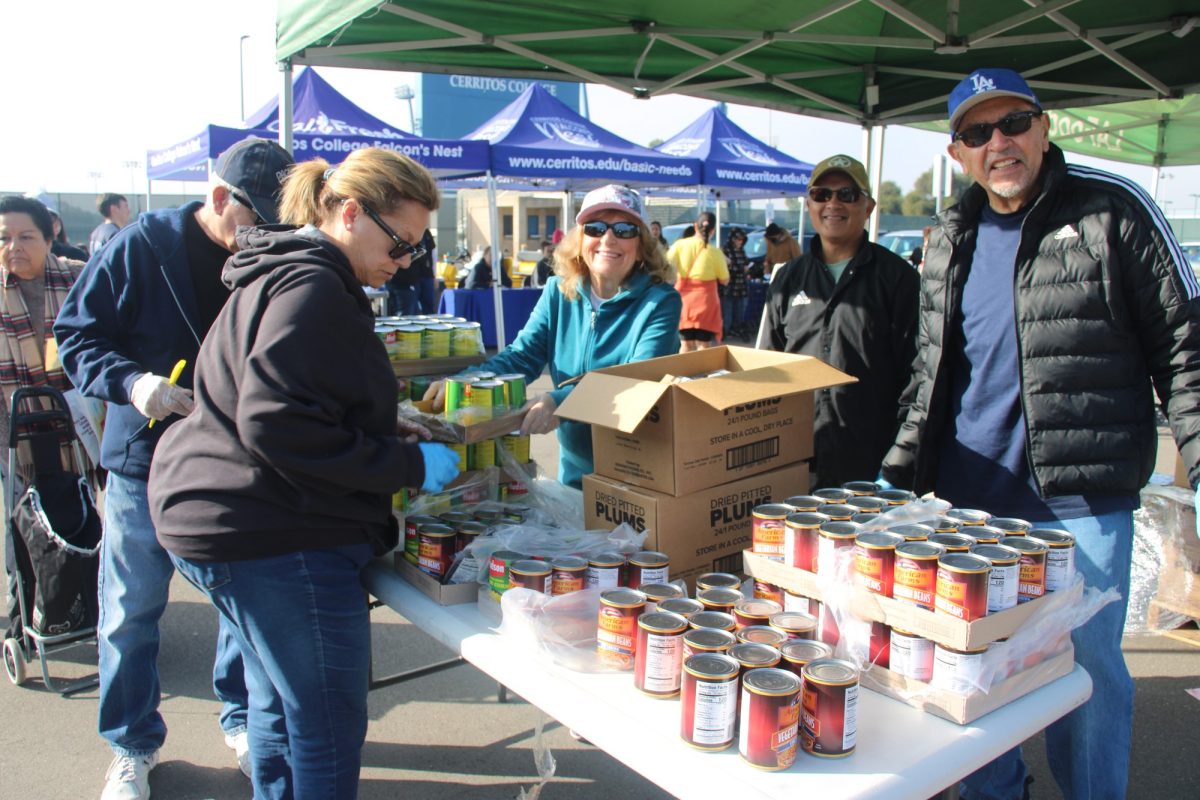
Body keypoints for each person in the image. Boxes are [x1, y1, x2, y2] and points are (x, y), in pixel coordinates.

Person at [880, 68, 1200, 800]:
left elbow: (1187, 351)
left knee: (1084, 673)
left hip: (1081, 504)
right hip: (968, 505)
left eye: (1014, 122)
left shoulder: (1112, 212)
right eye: (977, 132)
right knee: (972, 675)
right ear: (957, 151)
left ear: (1044, 126)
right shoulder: (947, 236)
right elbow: (931, 375)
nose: (1000, 143)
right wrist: (895, 476)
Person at [147, 147, 458, 799]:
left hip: (223, 516)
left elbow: (275, 397)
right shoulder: (315, 287)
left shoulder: (284, 271)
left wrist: (379, 426)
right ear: (349, 213)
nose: (404, 263)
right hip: (273, 536)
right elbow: (275, 424)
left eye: (417, 251)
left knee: (278, 709)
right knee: (323, 726)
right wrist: (404, 463)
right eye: (402, 244)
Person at [55, 137, 295, 800]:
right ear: (220, 199)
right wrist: (133, 384)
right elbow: (76, 333)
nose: (267, 237)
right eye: (259, 222)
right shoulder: (141, 246)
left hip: (235, 460)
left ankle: (243, 718)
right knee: (132, 609)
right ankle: (131, 743)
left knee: (239, 602)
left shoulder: (269, 254)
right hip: (145, 461)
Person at [425, 184, 681, 489]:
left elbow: (637, 381)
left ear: (642, 245)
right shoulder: (558, 291)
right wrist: (464, 381)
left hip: (637, 472)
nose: (608, 239)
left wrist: (557, 402)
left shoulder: (660, 301)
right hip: (573, 474)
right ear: (580, 239)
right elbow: (523, 355)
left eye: (625, 229)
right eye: (595, 228)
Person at [759, 155, 919, 489]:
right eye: (822, 194)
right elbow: (763, 371)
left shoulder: (898, 279)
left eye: (847, 194)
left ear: (869, 206)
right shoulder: (787, 279)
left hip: (871, 465)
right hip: (797, 463)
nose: (833, 203)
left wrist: (900, 462)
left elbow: (917, 378)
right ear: (809, 205)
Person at [0, 195, 90, 640]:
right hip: (13, 437)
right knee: (22, 524)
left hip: (77, 430)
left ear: (50, 236)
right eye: (4, 238)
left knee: (80, 515)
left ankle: (84, 604)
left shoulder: (78, 279)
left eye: (25, 236)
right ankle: (26, 613)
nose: (13, 246)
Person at [667, 211, 728, 351]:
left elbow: (666, 266)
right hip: (707, 302)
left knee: (685, 343)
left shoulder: (679, 245)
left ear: (695, 226)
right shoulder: (715, 252)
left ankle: (683, 372)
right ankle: (703, 372)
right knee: (704, 344)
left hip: (684, 301)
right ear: (713, 230)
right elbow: (724, 280)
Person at [385, 229, 436, 314]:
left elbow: (431, 253)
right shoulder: (401, 231)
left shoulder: (425, 233)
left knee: (413, 310)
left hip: (412, 279)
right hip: (402, 281)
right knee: (406, 313)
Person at [720, 227, 751, 340]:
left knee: (739, 311)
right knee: (727, 312)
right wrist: (739, 269)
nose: (740, 242)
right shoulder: (725, 250)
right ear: (732, 239)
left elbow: (746, 263)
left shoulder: (742, 251)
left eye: (742, 240)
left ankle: (736, 330)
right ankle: (725, 332)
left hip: (741, 286)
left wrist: (748, 269)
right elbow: (724, 267)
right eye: (738, 239)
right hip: (729, 286)